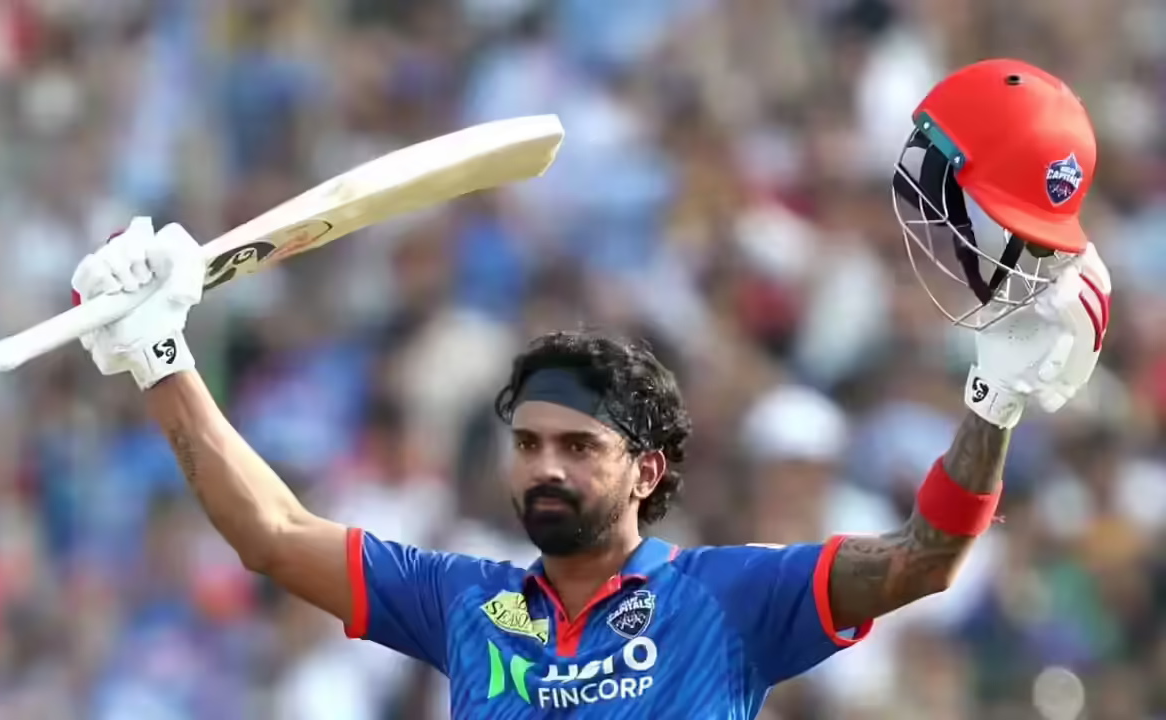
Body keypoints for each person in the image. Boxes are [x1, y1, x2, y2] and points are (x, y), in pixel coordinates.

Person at [67, 59, 1111, 717]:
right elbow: (272, 533)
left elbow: (926, 561)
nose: (544, 468)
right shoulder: (462, 603)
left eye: (577, 447)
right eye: (528, 444)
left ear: (646, 470)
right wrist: (162, 359)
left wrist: (992, 405)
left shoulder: (730, 600)